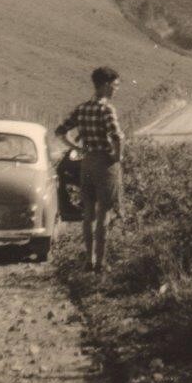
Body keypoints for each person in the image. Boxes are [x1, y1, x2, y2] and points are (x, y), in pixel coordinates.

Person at [55, 66, 124, 273]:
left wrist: (77, 147)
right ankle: (101, 263)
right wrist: (117, 157)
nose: (116, 90)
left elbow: (60, 131)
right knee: (104, 213)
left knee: (88, 214)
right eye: (114, 85)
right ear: (104, 85)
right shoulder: (107, 109)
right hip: (105, 164)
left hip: (86, 163)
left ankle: (88, 259)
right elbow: (117, 137)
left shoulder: (82, 108)